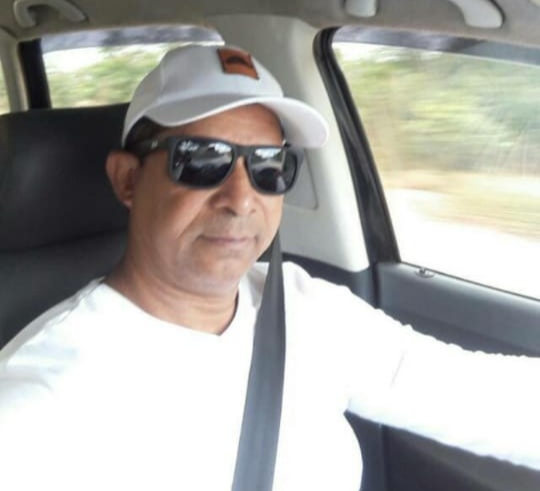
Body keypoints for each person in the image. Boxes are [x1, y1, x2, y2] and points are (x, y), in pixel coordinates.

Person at [0, 44, 539, 491]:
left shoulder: (302, 306)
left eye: (269, 166)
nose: (241, 199)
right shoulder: (43, 396)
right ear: (128, 180)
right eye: (203, 159)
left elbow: (476, 396)